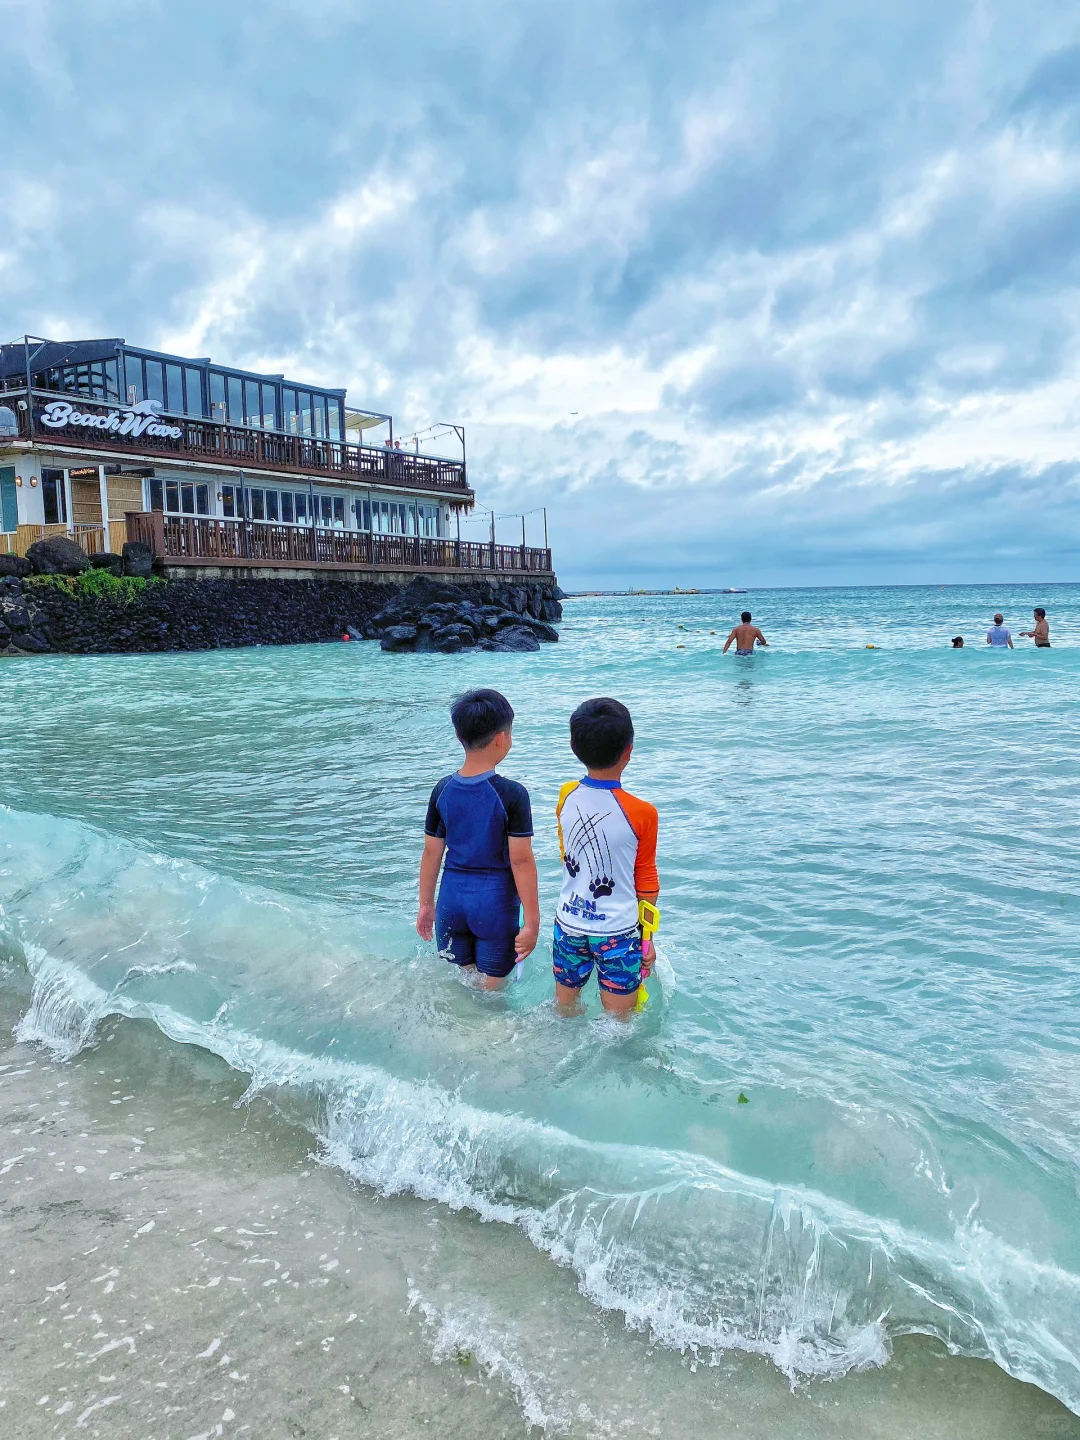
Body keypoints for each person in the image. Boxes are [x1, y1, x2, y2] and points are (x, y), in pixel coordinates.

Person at [416, 689, 539, 990]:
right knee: (492, 996)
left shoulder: (442, 789)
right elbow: (520, 860)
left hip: (451, 900)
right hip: (493, 903)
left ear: (459, 736)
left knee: (461, 988)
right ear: (501, 738)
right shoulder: (512, 794)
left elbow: (431, 853)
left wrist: (425, 906)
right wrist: (532, 922)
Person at [553, 698, 660, 1015]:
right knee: (619, 1025)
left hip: (569, 924)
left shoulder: (566, 795)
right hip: (617, 932)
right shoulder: (643, 813)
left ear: (574, 746)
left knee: (565, 1012)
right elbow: (647, 881)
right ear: (629, 749)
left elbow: (566, 853)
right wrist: (647, 940)